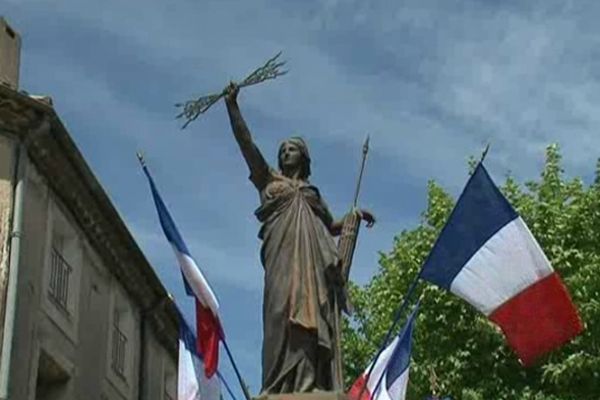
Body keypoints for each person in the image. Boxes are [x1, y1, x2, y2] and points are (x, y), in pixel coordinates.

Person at [223, 82, 375, 394]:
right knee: (280, 316)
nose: (285, 153)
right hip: (281, 261)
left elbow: (332, 226)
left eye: (291, 149)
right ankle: (277, 385)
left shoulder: (311, 194)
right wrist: (232, 108)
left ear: (303, 157)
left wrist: (354, 216)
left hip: (311, 267)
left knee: (309, 319)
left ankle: (309, 384)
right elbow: (247, 146)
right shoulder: (269, 182)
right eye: (282, 150)